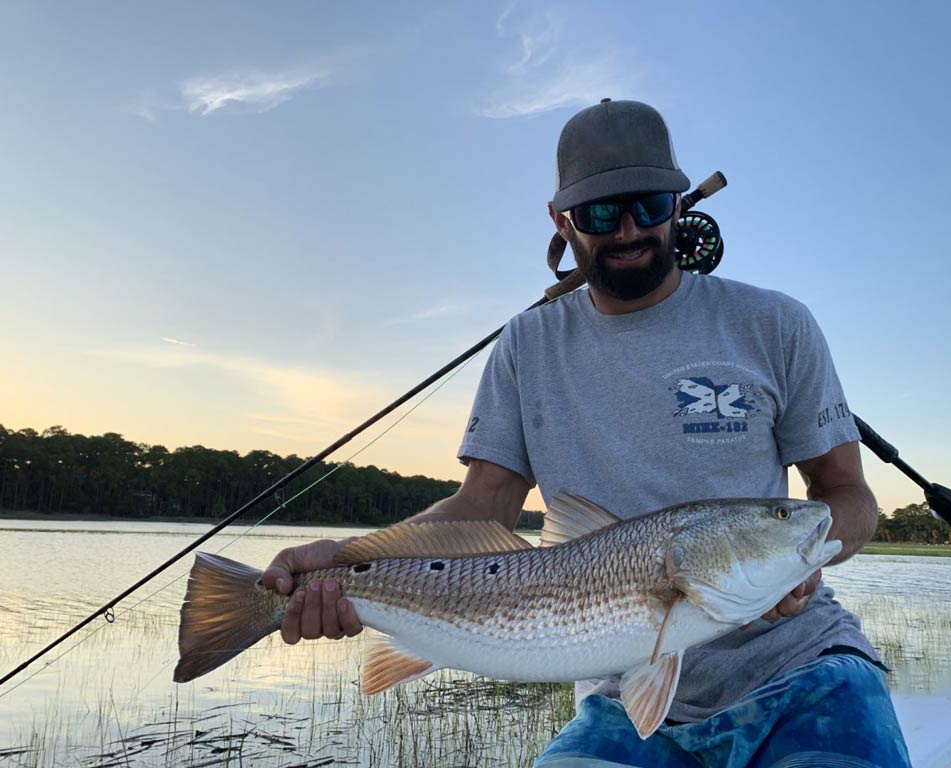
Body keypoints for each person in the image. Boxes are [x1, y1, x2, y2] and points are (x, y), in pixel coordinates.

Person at [261, 99, 912, 768]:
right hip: (619, 694)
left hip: (805, 669)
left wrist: (810, 559)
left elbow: (845, 497)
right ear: (561, 221)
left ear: (678, 202)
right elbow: (481, 509)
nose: (629, 230)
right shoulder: (527, 344)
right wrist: (343, 560)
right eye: (602, 214)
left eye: (651, 206)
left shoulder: (775, 324)